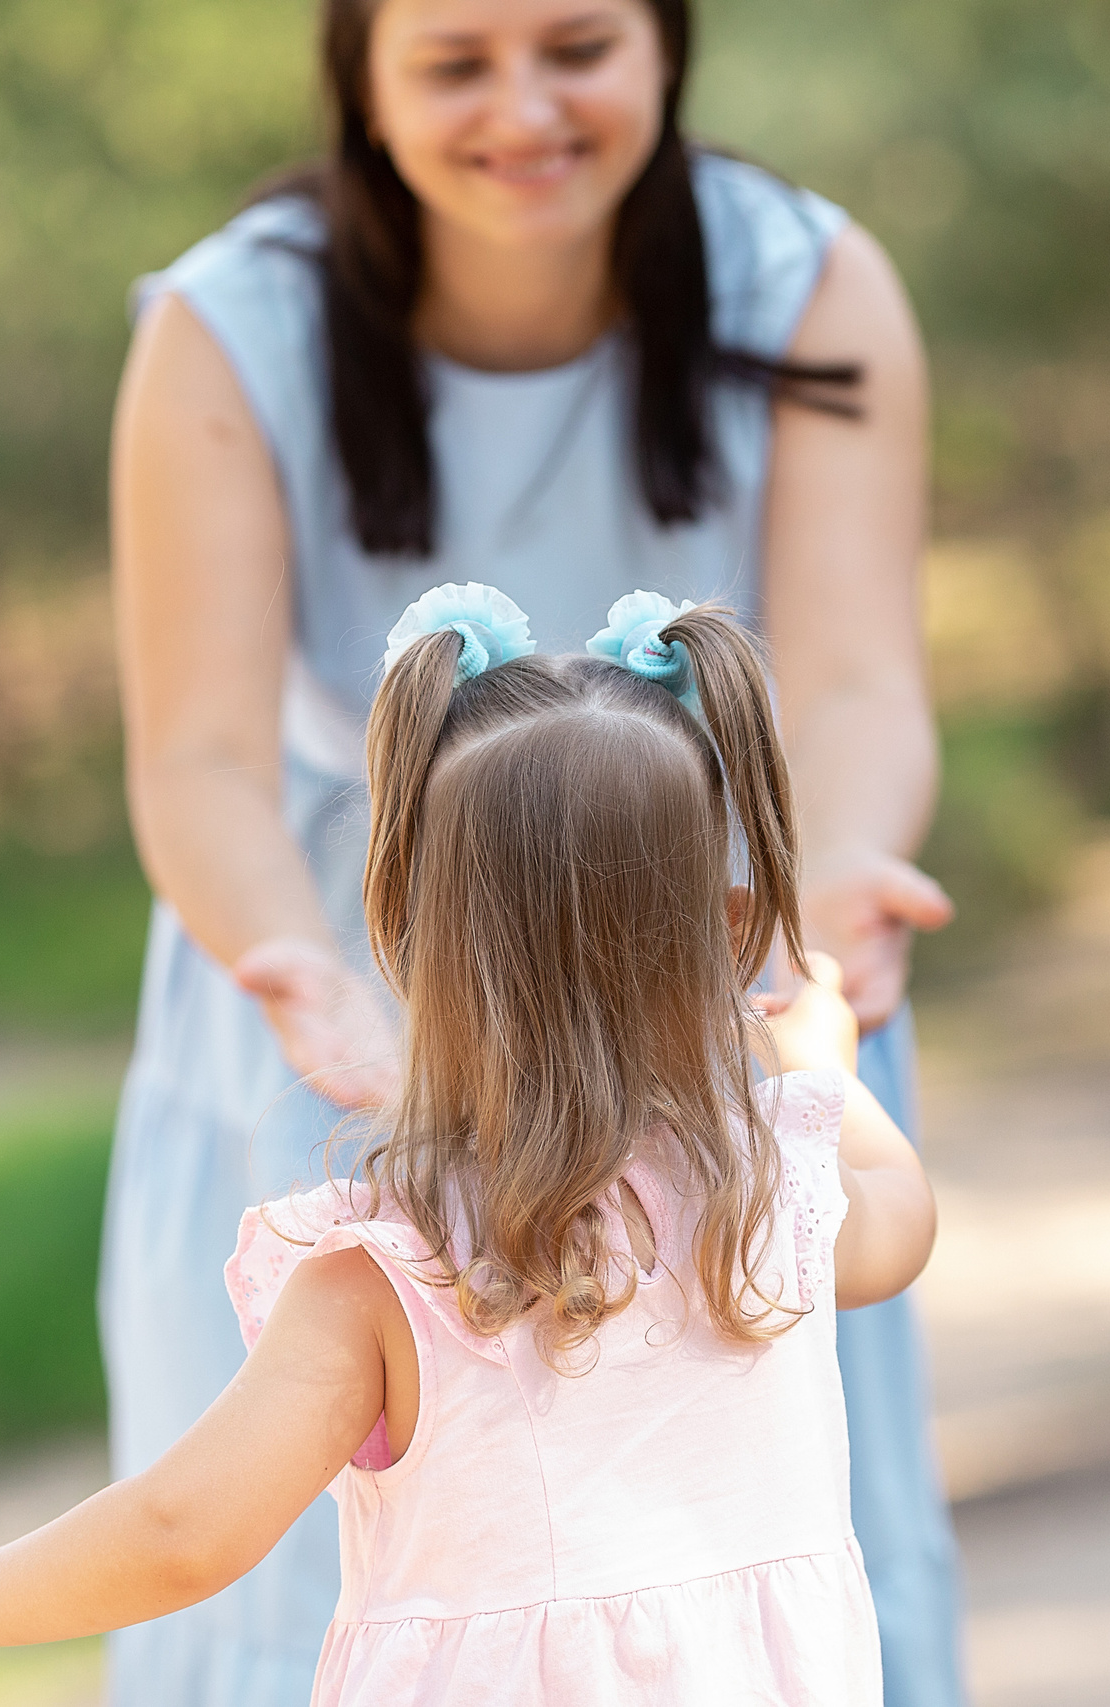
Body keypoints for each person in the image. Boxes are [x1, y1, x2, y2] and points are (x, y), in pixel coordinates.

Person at [106, 0, 963, 1699]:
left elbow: (857, 675)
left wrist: (830, 901)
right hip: (362, 993)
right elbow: (197, 752)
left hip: (700, 967)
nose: (524, 108)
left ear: (666, 49)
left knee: (750, 1547)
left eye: (577, 47)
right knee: (309, 1540)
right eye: (454, 62)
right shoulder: (231, 326)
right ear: (364, 76)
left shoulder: (807, 281)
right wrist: (312, 976)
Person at [0, 594, 941, 1706]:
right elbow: (903, 1210)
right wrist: (824, 1073)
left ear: (403, 931)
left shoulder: (390, 1283)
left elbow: (184, 1530)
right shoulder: (771, 1202)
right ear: (730, 923)